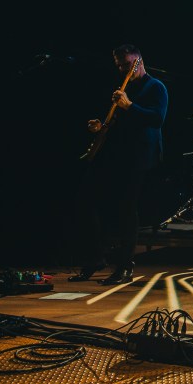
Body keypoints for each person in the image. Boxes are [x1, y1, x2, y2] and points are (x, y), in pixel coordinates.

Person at [70, 44, 168, 285]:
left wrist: (129, 106)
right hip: (116, 155)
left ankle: (125, 266)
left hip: (139, 157)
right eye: (120, 65)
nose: (123, 69)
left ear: (139, 61)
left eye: (127, 64)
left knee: (126, 211)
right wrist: (100, 126)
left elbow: (157, 119)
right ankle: (94, 258)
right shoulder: (123, 88)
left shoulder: (156, 87)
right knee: (85, 201)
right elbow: (117, 123)